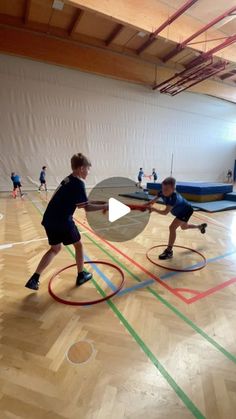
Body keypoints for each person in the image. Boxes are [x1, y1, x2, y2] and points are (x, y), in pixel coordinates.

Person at [25, 153, 108, 291]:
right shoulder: (79, 184)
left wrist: (102, 202)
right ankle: (81, 275)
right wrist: (105, 207)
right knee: (79, 245)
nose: (88, 172)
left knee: (55, 249)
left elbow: (81, 202)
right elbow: (86, 207)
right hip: (63, 221)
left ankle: (34, 278)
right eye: (88, 169)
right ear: (81, 168)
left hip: (49, 220)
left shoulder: (69, 180)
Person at [150, 177, 207, 260]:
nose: (164, 191)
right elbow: (152, 201)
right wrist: (146, 205)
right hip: (179, 212)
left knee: (172, 227)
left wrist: (153, 209)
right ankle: (200, 227)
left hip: (186, 211)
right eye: (163, 188)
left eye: (167, 189)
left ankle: (169, 251)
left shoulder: (174, 198)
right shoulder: (162, 192)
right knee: (184, 227)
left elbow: (165, 212)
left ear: (173, 189)